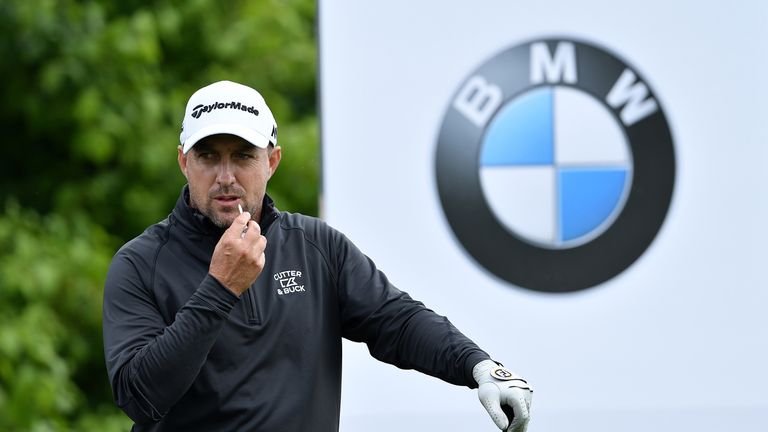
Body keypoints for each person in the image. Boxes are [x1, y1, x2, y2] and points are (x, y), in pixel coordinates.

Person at [102, 80, 533, 432]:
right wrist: (220, 288)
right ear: (183, 161)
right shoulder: (140, 264)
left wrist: (477, 365)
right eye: (208, 156)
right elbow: (141, 397)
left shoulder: (315, 246)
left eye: (244, 156)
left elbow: (397, 321)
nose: (226, 176)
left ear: (273, 160)